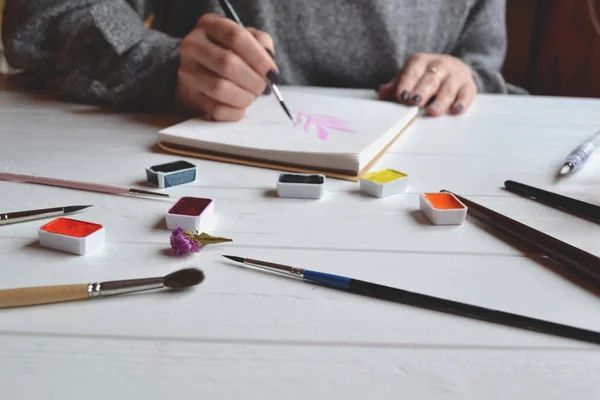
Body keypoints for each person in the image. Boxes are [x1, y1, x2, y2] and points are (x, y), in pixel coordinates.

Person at [2, 1, 518, 121]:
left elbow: (482, 63)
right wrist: (163, 69)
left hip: (423, 178)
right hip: (203, 159)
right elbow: (41, 15)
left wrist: (459, 78)